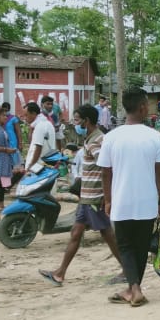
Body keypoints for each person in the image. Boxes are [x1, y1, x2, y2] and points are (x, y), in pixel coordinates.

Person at [39, 105, 125, 287]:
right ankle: (60, 273)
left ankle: (127, 269)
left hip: (94, 197)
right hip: (88, 197)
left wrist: (106, 196)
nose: (75, 123)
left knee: (107, 235)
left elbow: (106, 167)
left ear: (86, 121)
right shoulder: (94, 138)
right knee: (77, 233)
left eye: (77, 120)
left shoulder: (95, 141)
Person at [97, 88, 160, 307]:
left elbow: (105, 173)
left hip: (121, 201)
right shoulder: (154, 136)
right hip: (147, 202)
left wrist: (107, 200)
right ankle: (133, 289)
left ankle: (133, 289)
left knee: (125, 246)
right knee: (141, 246)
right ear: (142, 107)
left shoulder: (111, 137)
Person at [23, 102, 57, 172]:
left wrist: (31, 166)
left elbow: (38, 148)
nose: (25, 118)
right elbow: (31, 142)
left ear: (33, 113)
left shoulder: (40, 126)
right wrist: (31, 128)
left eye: (26, 115)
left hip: (38, 166)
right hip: (46, 163)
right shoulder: (46, 123)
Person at [2, 102, 23, 168]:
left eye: (7, 110)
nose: (5, 112)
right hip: (4, 140)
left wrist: (20, 143)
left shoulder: (13, 118)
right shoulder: (1, 118)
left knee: (14, 158)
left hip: (12, 140)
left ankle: (15, 172)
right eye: (4, 110)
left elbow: (18, 131)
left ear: (9, 110)